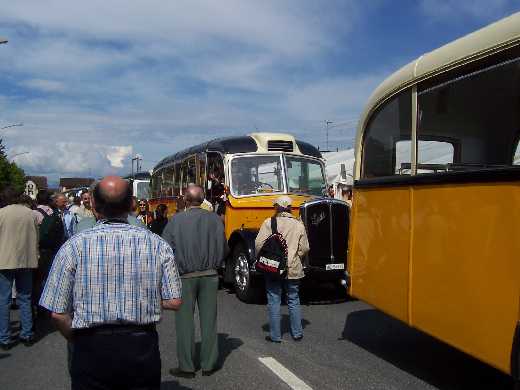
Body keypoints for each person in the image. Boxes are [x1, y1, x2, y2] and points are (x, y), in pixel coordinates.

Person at [39, 176, 183, 389]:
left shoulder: (73, 247)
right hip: (141, 346)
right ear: (130, 205)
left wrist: (75, 338)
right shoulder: (157, 245)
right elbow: (174, 300)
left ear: (94, 206)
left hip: (90, 345)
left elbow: (58, 314)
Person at [162, 184, 228, 378]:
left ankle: (187, 366)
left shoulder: (176, 221)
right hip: (210, 274)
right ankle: (209, 364)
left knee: (184, 322)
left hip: (184, 276)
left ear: (186, 199)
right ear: (202, 199)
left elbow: (165, 249)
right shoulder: (215, 219)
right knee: (209, 320)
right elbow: (224, 247)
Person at [255, 195, 309, 343]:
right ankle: (297, 333)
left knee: (274, 300)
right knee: (293, 299)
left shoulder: (269, 222)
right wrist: (295, 256)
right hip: (293, 268)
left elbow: (259, 244)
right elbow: (304, 248)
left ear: (276, 208)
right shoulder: (299, 225)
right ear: (291, 208)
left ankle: (275, 335)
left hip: (274, 268)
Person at [0, 187, 39, 349]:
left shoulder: (1, 213)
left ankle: (4, 337)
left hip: (5, 259)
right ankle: (27, 333)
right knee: (25, 297)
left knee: (3, 300)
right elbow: (36, 237)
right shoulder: (30, 213)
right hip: (27, 259)